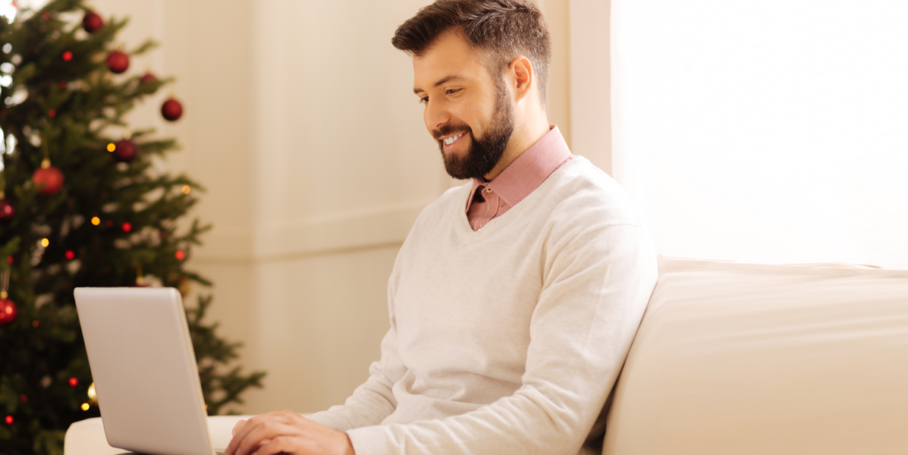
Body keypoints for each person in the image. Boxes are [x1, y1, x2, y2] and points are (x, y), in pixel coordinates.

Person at [224, 1, 657, 454]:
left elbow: (550, 422)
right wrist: (287, 434)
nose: (433, 120)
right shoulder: (435, 222)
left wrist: (352, 448)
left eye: (451, 91)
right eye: (424, 97)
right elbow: (388, 392)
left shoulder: (595, 222)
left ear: (520, 78)